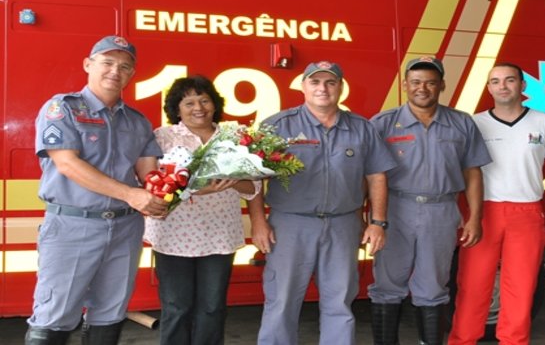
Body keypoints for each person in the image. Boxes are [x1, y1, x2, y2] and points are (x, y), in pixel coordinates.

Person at [28, 35, 169, 345]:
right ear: (88, 65)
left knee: (110, 312)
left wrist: (171, 191)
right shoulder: (61, 108)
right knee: (56, 315)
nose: (114, 71)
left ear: (132, 74)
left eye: (124, 66)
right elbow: (67, 164)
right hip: (73, 225)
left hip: (124, 228)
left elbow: (149, 173)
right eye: (107, 63)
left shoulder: (138, 121)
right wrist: (131, 194)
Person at [248, 61, 397, 345]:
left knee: (340, 303)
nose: (322, 89)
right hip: (290, 225)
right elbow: (253, 177)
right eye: (315, 82)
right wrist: (258, 221)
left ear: (340, 88)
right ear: (303, 86)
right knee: (281, 302)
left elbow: (376, 175)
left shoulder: (362, 128)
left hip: (343, 225)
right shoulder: (278, 126)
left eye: (330, 82)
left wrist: (377, 222)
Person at [368, 56, 492, 345]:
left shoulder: (461, 123)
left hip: (441, 211)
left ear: (442, 86)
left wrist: (475, 217)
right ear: (405, 85)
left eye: (430, 83)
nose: (422, 88)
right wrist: (373, 220)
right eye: (416, 82)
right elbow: (368, 176)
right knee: (387, 285)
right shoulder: (383, 124)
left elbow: (473, 173)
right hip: (395, 211)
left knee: (434, 286)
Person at [448, 62, 545, 345]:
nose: (502, 86)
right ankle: (461, 341)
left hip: (526, 213)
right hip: (482, 213)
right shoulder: (475, 123)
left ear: (522, 85)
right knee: (472, 287)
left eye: (509, 80)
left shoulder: (543, 121)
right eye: (495, 81)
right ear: (488, 87)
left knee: (521, 288)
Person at [144, 75, 261, 345]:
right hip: (173, 235)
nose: (199, 107)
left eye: (205, 100)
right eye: (189, 102)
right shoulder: (163, 137)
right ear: (177, 109)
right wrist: (193, 188)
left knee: (212, 307)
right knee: (176, 307)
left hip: (219, 236)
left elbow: (252, 185)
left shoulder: (234, 137)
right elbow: (152, 182)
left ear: (215, 104)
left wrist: (232, 181)